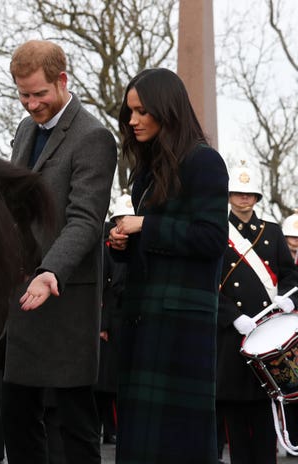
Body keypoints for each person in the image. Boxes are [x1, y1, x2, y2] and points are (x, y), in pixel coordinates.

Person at [3, 39, 117, 464]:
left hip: (64, 293)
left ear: (62, 80)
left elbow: (86, 219)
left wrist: (50, 271)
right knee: (16, 414)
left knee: (74, 423)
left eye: (39, 94)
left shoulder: (93, 137)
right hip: (21, 295)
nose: (31, 104)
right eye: (23, 94)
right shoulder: (24, 130)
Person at [108, 68, 229, 463]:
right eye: (130, 112)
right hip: (143, 321)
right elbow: (153, 245)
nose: (132, 121)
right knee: (139, 444)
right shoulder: (146, 170)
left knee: (179, 446)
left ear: (167, 109)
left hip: (181, 330)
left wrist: (146, 225)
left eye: (142, 111)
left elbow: (211, 239)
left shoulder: (204, 161)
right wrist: (122, 242)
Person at [215, 161, 298, 464]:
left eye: (249, 194)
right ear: (229, 195)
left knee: (266, 415)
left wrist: (292, 300)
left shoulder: (273, 233)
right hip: (233, 338)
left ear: (257, 197)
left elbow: (291, 276)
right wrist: (230, 316)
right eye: (238, 192)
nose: (244, 198)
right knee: (236, 420)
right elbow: (208, 286)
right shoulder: (216, 233)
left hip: (269, 336)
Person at [96, 191, 133, 446]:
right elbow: (104, 288)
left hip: (133, 313)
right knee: (107, 382)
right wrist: (103, 324)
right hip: (113, 317)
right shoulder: (107, 248)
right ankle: (110, 428)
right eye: (121, 218)